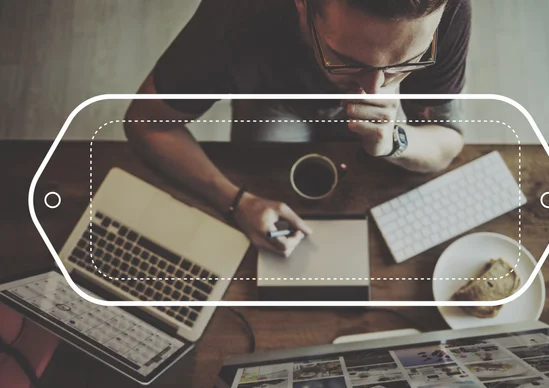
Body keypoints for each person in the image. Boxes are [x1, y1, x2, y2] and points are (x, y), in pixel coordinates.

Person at [124, 0, 471, 257]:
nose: (373, 91)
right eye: (346, 61)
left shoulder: (447, 10)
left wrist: (396, 139)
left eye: (405, 64)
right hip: (274, 100)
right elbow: (145, 124)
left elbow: (446, 142)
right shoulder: (234, 16)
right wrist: (235, 201)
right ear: (302, 6)